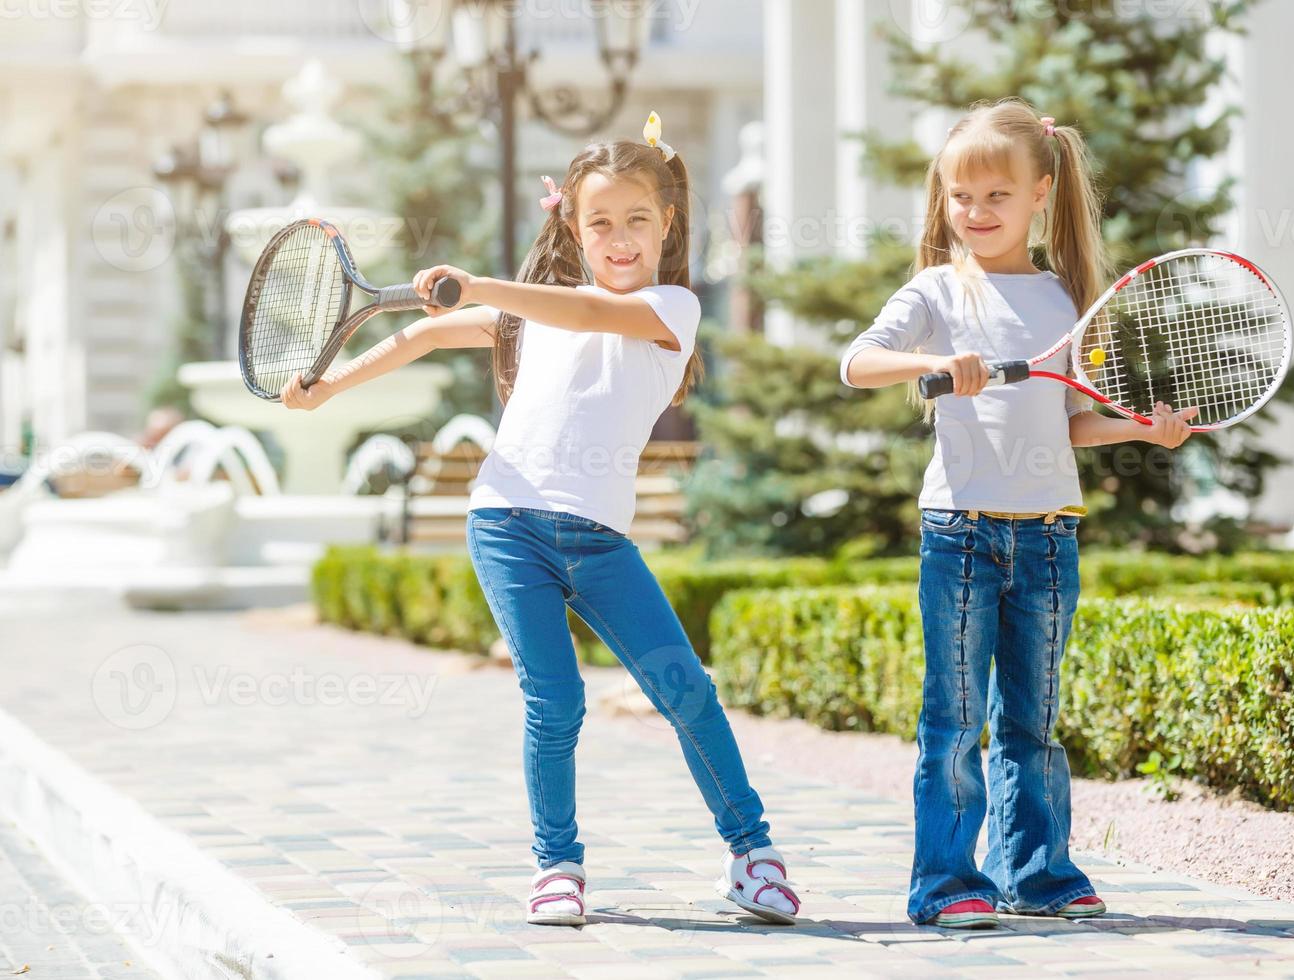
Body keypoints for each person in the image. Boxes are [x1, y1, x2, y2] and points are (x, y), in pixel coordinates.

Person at [280, 112, 800, 929]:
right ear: (572, 224)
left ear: (667, 222)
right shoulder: (532, 315)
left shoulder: (672, 308)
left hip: (600, 542)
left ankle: (754, 857)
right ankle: (557, 866)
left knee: (685, 691)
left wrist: (482, 285)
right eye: (600, 222)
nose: (620, 237)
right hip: (507, 525)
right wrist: (331, 385)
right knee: (554, 702)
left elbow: (591, 316)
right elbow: (420, 335)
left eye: (637, 219)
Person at [839, 99, 1196, 929]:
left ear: (1041, 191)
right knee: (955, 721)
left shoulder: (1068, 300)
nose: (976, 213)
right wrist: (937, 363)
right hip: (960, 536)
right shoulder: (935, 288)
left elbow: (1072, 419)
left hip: (1048, 535)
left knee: (1033, 722)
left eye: (996, 196)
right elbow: (857, 362)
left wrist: (1143, 427)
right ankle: (945, 884)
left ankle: (1036, 876)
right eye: (960, 197)